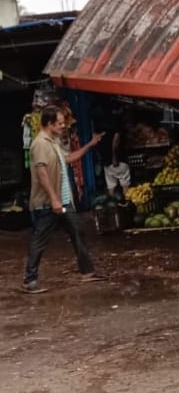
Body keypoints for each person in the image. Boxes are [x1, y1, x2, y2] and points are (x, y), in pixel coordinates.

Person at [21, 104, 107, 293]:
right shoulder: (40, 144)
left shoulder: (53, 142)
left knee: (78, 231)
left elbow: (68, 158)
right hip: (48, 203)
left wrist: (89, 145)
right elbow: (42, 174)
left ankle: (87, 272)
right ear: (49, 124)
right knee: (40, 240)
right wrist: (54, 199)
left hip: (64, 201)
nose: (63, 126)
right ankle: (30, 280)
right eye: (59, 123)